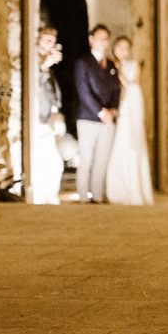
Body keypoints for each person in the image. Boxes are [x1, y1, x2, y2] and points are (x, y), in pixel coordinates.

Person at [74, 25, 120, 204]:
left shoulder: (110, 65)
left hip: (107, 118)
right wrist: (101, 112)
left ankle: (98, 195)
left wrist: (112, 110)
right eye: (99, 37)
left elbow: (116, 89)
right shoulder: (83, 63)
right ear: (91, 39)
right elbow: (84, 91)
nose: (103, 41)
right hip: (88, 117)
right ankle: (84, 196)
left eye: (106, 38)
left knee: (102, 157)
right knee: (86, 158)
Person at [105, 37, 154, 206]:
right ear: (114, 48)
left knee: (129, 143)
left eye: (126, 48)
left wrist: (119, 73)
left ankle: (132, 190)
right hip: (114, 108)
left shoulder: (133, 65)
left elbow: (133, 87)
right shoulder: (108, 63)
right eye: (119, 47)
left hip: (129, 109)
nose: (122, 51)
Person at [33, 27, 64, 204]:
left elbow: (52, 90)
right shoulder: (35, 60)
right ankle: (41, 196)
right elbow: (33, 82)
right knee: (45, 160)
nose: (48, 43)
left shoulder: (46, 63)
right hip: (37, 117)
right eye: (45, 39)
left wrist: (56, 109)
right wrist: (45, 65)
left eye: (51, 41)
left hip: (48, 117)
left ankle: (50, 196)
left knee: (54, 162)